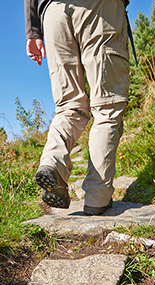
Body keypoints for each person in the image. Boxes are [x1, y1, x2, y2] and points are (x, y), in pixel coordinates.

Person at [26, 0, 130, 215]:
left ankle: (53, 163)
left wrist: (33, 31)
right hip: (100, 9)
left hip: (53, 13)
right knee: (107, 106)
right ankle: (97, 196)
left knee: (69, 107)